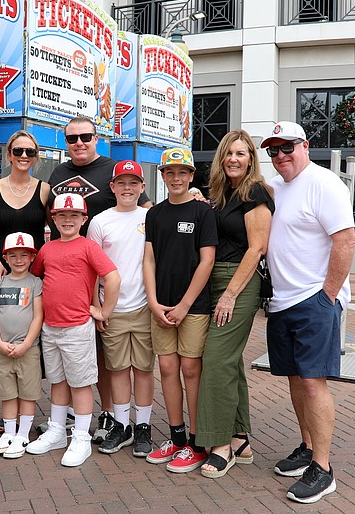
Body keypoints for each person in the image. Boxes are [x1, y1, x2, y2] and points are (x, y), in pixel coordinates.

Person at [261, 121, 355, 504]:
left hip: (313, 301)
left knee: (314, 382)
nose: (281, 155)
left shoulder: (325, 183)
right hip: (282, 302)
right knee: (296, 380)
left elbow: (346, 240)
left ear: (306, 146)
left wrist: (327, 296)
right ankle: (306, 447)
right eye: (273, 150)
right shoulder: (276, 188)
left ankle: (323, 467)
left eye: (288, 147)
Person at [47, 115, 151, 443]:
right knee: (77, 354)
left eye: (85, 137)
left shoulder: (112, 169)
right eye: (72, 138)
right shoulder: (59, 173)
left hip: (104, 282)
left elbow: (145, 210)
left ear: (97, 138)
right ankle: (67, 418)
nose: (79, 143)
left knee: (107, 358)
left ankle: (108, 415)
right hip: (68, 281)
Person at [197, 130, 274, 478]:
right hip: (215, 278)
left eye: (241, 154)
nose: (233, 159)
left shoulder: (255, 192)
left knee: (215, 359)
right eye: (229, 153)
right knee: (230, 361)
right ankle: (241, 437)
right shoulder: (221, 193)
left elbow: (257, 248)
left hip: (239, 281)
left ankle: (220, 445)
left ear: (251, 159)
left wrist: (230, 294)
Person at [25, 193, 120, 467]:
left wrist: (104, 310)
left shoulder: (88, 247)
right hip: (50, 326)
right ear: (53, 219)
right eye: (62, 215)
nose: (68, 220)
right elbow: (40, 278)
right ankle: (56, 430)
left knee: (80, 383)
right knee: (57, 380)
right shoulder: (47, 249)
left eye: (74, 216)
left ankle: (81, 437)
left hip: (77, 326)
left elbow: (112, 277)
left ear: (83, 219)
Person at [143, 148, 217, 473]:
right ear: (162, 176)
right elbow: (149, 259)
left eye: (182, 173)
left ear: (191, 176)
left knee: (190, 369)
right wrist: (153, 301)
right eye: (169, 173)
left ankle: (198, 443)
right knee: (168, 369)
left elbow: (207, 260)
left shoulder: (203, 213)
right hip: (161, 305)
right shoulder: (154, 214)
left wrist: (185, 305)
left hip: (194, 306)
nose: (176, 178)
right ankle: (176, 437)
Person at [86, 161, 154, 458]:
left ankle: (143, 426)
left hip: (142, 306)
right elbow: (91, 268)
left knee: (143, 368)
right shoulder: (100, 221)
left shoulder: (151, 217)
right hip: (112, 308)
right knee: (116, 369)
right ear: (112, 187)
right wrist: (98, 306)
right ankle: (122, 425)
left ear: (142, 187)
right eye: (121, 183)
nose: (128, 188)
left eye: (133, 183)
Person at [0, 232, 43, 459]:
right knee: (7, 393)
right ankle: (9, 433)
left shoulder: (36, 283)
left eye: (24, 255)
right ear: (5, 258)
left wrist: (27, 344)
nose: (19, 260)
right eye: (13, 255)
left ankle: (23, 434)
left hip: (27, 349)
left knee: (27, 393)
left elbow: (38, 316)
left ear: (31, 258)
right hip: (3, 351)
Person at [0, 130, 51, 283]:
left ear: (35, 157)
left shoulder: (44, 190)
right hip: (2, 274)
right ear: (9, 155)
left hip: (36, 275)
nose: (24, 156)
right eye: (18, 151)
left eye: (30, 152)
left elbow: (55, 232)